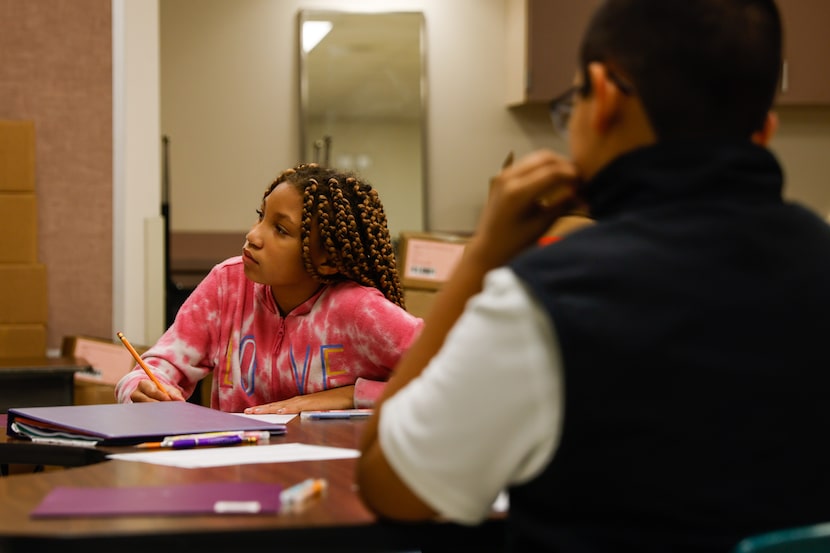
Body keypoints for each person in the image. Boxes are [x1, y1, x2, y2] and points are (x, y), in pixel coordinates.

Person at [356, 1, 830, 551]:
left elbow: (390, 486)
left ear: (602, 94)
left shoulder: (550, 297)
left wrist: (483, 258)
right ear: (764, 130)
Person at [115, 163, 423, 413]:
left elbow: (459, 383)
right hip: (236, 471)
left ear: (327, 259)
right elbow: (155, 368)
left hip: (328, 474)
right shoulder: (227, 286)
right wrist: (141, 388)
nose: (253, 235)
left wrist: (351, 395)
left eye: (280, 229)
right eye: (261, 216)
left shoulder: (358, 310)